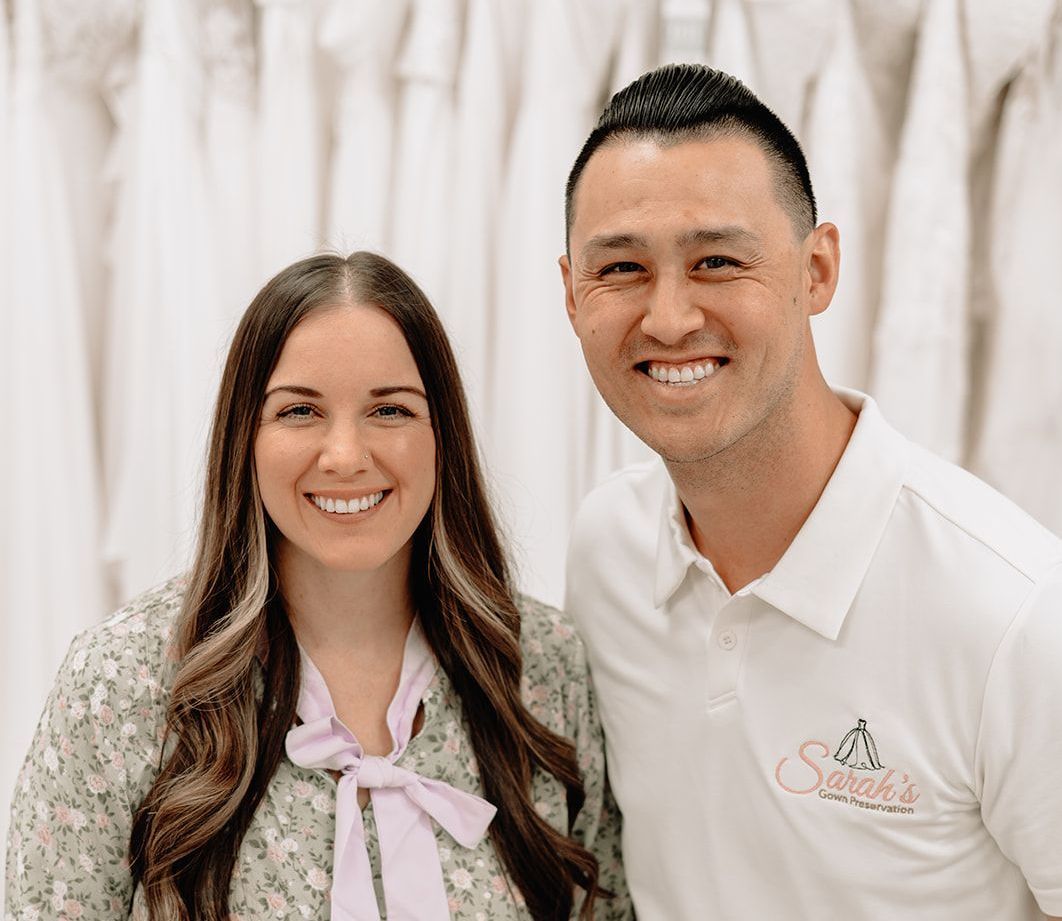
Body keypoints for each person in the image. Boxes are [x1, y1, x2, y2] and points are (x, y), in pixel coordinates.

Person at [560, 63, 1062, 921]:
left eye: (717, 260)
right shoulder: (606, 550)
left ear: (818, 269)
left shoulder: (1014, 612)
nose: (670, 317)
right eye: (623, 269)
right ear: (571, 291)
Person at [5, 252, 629, 921]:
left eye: (389, 409)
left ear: (441, 432)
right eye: (300, 410)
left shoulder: (541, 664)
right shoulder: (121, 682)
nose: (345, 455)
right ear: (244, 435)